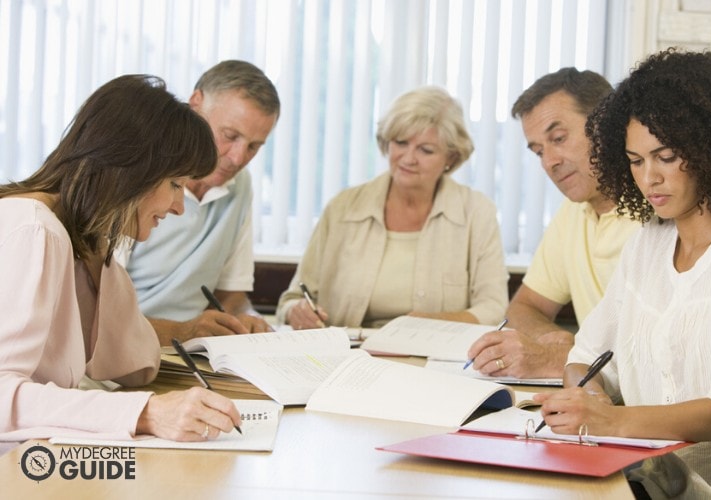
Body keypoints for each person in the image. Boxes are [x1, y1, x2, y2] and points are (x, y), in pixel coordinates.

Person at [536, 49, 711, 498]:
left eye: (664, 157)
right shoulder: (648, 243)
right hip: (650, 479)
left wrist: (612, 421)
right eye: (636, 160)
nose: (649, 179)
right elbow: (586, 356)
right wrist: (588, 398)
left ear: (710, 149)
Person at [0, 75, 241, 442]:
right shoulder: (32, 229)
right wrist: (146, 413)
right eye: (175, 184)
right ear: (131, 169)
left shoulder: (79, 239)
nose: (179, 207)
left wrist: (100, 264)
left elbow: (134, 365)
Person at [276, 86, 509, 329]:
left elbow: (493, 307)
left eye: (425, 150)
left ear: (450, 157)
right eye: (401, 143)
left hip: (431, 357)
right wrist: (297, 312)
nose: (408, 158)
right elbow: (293, 299)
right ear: (387, 143)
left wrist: (433, 324)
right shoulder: (342, 209)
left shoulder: (476, 212)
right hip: (349, 356)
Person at [467, 68, 640, 378]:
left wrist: (560, 357)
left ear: (606, 124)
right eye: (538, 152)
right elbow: (524, 308)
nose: (549, 162)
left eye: (558, 139)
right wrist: (552, 340)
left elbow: (660, 356)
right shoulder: (573, 211)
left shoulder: (662, 212)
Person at [118, 60, 280, 345]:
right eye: (230, 136)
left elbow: (230, 295)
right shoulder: (136, 174)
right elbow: (96, 317)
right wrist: (183, 332)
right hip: (126, 349)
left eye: (254, 146)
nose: (238, 158)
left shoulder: (241, 187)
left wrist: (246, 319)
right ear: (195, 104)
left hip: (190, 351)